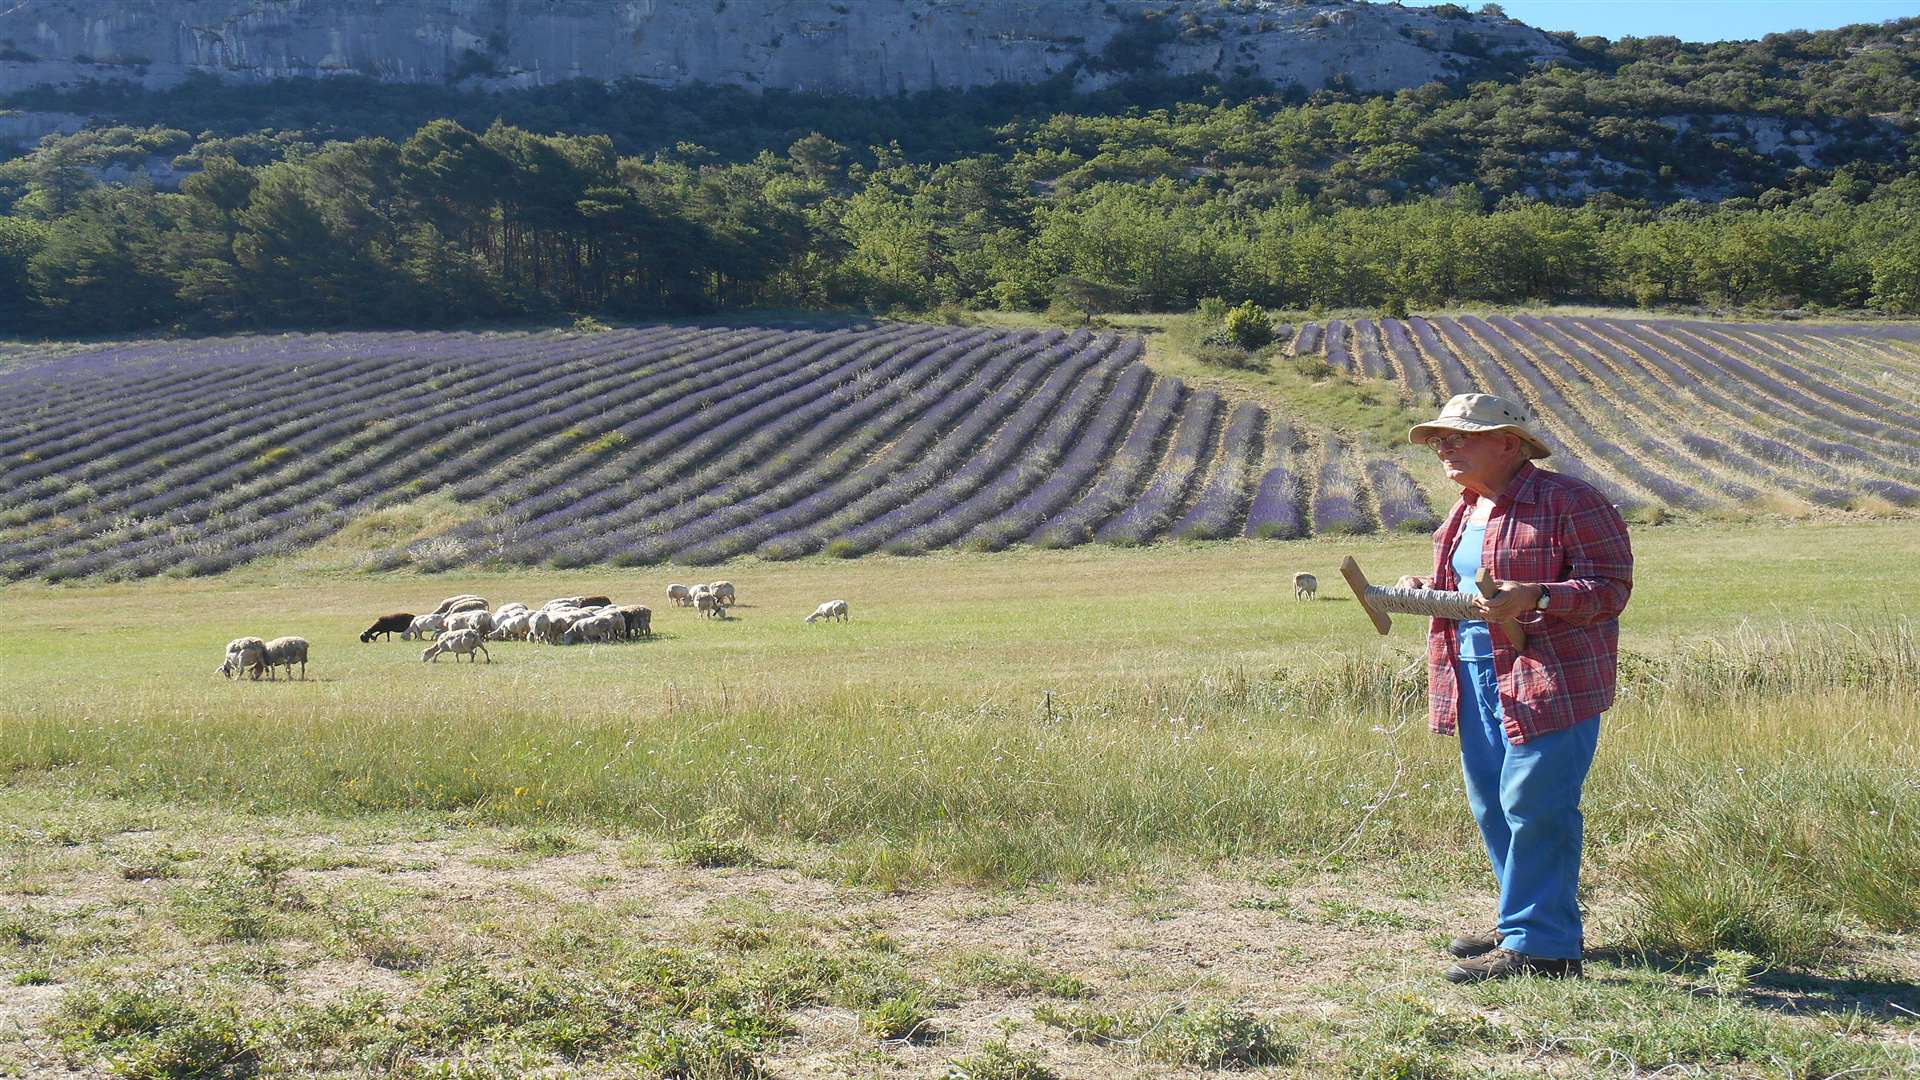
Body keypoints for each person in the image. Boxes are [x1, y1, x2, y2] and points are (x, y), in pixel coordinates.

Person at [1397, 393, 1632, 983]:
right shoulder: (1465, 510)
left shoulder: (1569, 501)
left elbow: (1610, 588)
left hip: (1550, 675)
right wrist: (1423, 587)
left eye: (1458, 438)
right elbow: (1469, 589)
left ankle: (1544, 947)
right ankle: (1523, 922)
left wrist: (1541, 595)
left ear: (1508, 442)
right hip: (1473, 668)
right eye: (1439, 440)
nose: (1444, 449)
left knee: (1536, 804)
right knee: (1492, 804)